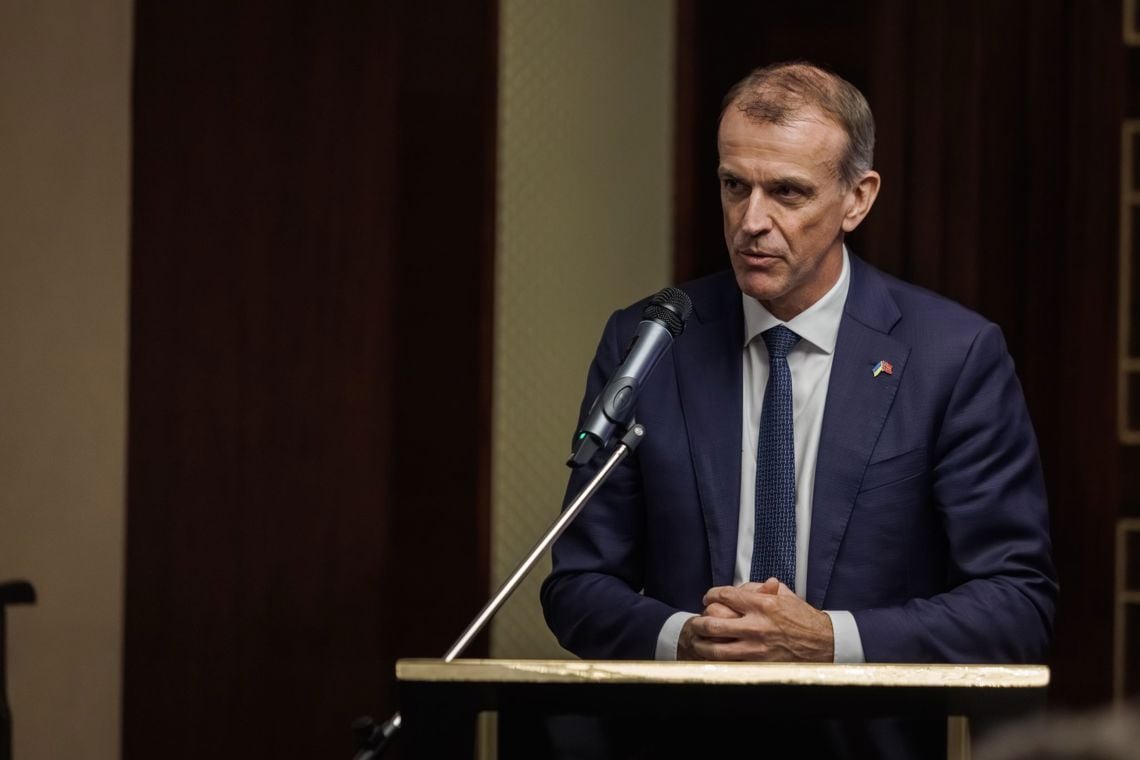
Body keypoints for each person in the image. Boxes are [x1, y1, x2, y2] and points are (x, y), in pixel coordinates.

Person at [540, 61, 1057, 757]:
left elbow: (1016, 604)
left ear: (857, 200)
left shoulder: (952, 357)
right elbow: (577, 584)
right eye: (735, 186)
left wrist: (829, 640)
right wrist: (683, 638)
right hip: (682, 740)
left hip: (869, 743)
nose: (752, 222)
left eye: (787, 192)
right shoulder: (652, 343)